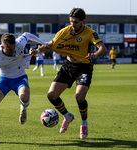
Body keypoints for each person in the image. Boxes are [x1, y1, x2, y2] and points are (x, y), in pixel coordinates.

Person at [36, 8, 107, 139]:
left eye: (75, 22)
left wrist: (95, 55)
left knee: (79, 97)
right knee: (51, 95)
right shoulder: (64, 32)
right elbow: (51, 44)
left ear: (83, 21)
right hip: (68, 66)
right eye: (71, 21)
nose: (72, 25)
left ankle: (84, 122)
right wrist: (37, 51)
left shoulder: (90, 32)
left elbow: (102, 48)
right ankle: (67, 116)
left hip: (84, 67)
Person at [0, 32, 47, 144]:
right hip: (4, 80)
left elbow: (27, 34)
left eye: (13, 48)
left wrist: (44, 43)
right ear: (2, 47)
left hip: (20, 77)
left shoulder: (19, 43)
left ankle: (23, 107)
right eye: (9, 49)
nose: (13, 51)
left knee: (24, 97)